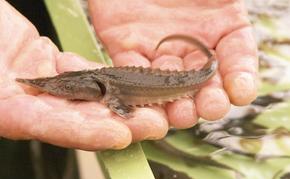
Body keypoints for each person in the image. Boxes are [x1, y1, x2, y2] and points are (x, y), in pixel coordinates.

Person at [0, 0, 258, 150]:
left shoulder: (108, 91)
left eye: (67, 90)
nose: (62, 90)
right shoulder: (94, 82)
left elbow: (123, 108)